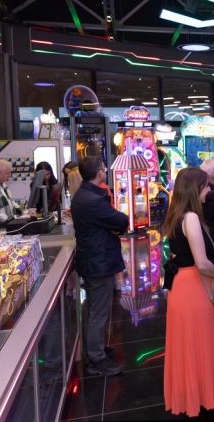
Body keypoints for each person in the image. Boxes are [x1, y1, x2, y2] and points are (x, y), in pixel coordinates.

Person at [162, 168, 214, 418]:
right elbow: (202, 263)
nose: (209, 190)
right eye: (206, 186)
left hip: (181, 285)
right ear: (196, 189)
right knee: (200, 343)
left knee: (186, 346)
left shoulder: (175, 214)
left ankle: (190, 395)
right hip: (194, 287)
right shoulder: (190, 217)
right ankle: (202, 396)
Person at [70, 157, 129, 376]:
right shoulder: (92, 200)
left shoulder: (85, 195)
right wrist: (115, 225)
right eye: (104, 169)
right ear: (100, 173)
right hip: (98, 261)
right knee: (98, 311)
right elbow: (121, 220)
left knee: (94, 309)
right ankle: (96, 359)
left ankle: (94, 350)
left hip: (95, 258)